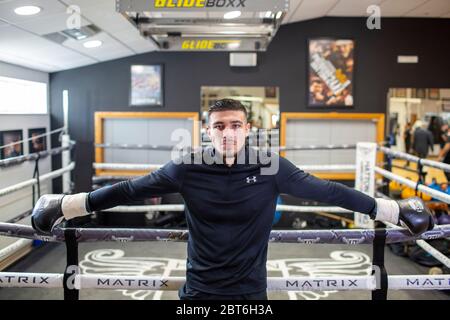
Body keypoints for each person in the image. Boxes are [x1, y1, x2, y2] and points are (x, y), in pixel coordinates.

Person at [31, 99, 434, 300]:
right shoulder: (186, 166)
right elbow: (128, 190)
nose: (228, 133)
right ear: (207, 131)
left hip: (250, 293)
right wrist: (66, 205)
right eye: (219, 126)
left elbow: (329, 190)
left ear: (248, 129)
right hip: (197, 294)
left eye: (236, 125)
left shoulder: (271, 165)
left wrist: (393, 208)